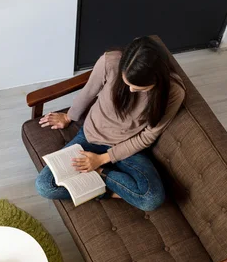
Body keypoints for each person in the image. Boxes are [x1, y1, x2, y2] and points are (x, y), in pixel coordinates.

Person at [35, 36, 186, 211]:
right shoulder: (110, 62)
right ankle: (109, 189)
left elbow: (147, 137)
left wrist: (100, 162)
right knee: (44, 185)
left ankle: (99, 177)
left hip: (127, 148)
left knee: (151, 199)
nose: (131, 90)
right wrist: (69, 117)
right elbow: (89, 91)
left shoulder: (173, 93)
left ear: (157, 80)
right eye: (128, 83)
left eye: (140, 89)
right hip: (90, 137)